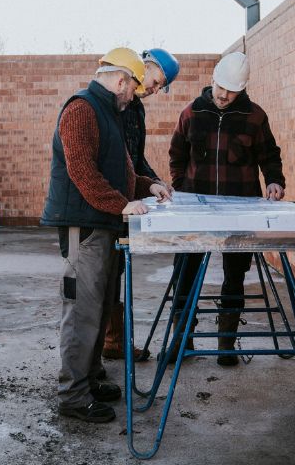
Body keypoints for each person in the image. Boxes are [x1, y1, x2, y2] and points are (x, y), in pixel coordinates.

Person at [40, 47, 171, 423]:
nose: (136, 95)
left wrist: (147, 186)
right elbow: (83, 171)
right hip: (86, 226)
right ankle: (73, 395)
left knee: (98, 307)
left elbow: (120, 170)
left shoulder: (110, 112)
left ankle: (92, 376)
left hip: (103, 222)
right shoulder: (82, 109)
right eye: (133, 87)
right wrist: (121, 205)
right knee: (82, 311)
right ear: (120, 80)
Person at [168, 52, 285, 366]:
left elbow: (269, 154)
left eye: (231, 90)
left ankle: (226, 344)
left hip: (240, 208)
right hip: (196, 208)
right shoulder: (191, 113)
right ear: (213, 79)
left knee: (235, 275)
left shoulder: (255, 116)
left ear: (242, 89)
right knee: (186, 272)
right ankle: (181, 342)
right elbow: (177, 154)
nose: (223, 95)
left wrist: (274, 180)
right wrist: (182, 186)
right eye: (221, 87)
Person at [102, 48, 181, 360]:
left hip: (126, 198)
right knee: (105, 274)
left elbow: (135, 159)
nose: (154, 88)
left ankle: (113, 342)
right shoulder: (116, 101)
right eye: (155, 80)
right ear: (144, 66)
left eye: (160, 87)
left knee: (116, 271)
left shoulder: (137, 110)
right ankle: (109, 343)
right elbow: (116, 159)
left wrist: (155, 182)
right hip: (110, 201)